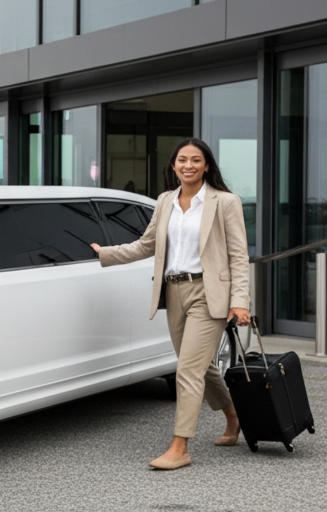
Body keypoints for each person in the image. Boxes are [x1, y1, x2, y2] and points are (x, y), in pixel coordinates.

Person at [90, 138, 251, 470]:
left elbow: (238, 255)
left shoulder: (225, 201)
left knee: (188, 370)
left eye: (196, 160)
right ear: (174, 166)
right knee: (199, 365)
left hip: (208, 293)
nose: (188, 165)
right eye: (182, 160)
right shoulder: (166, 200)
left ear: (206, 165)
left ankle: (180, 447)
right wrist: (107, 254)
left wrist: (240, 302)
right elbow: (147, 244)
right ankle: (234, 414)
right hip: (174, 291)